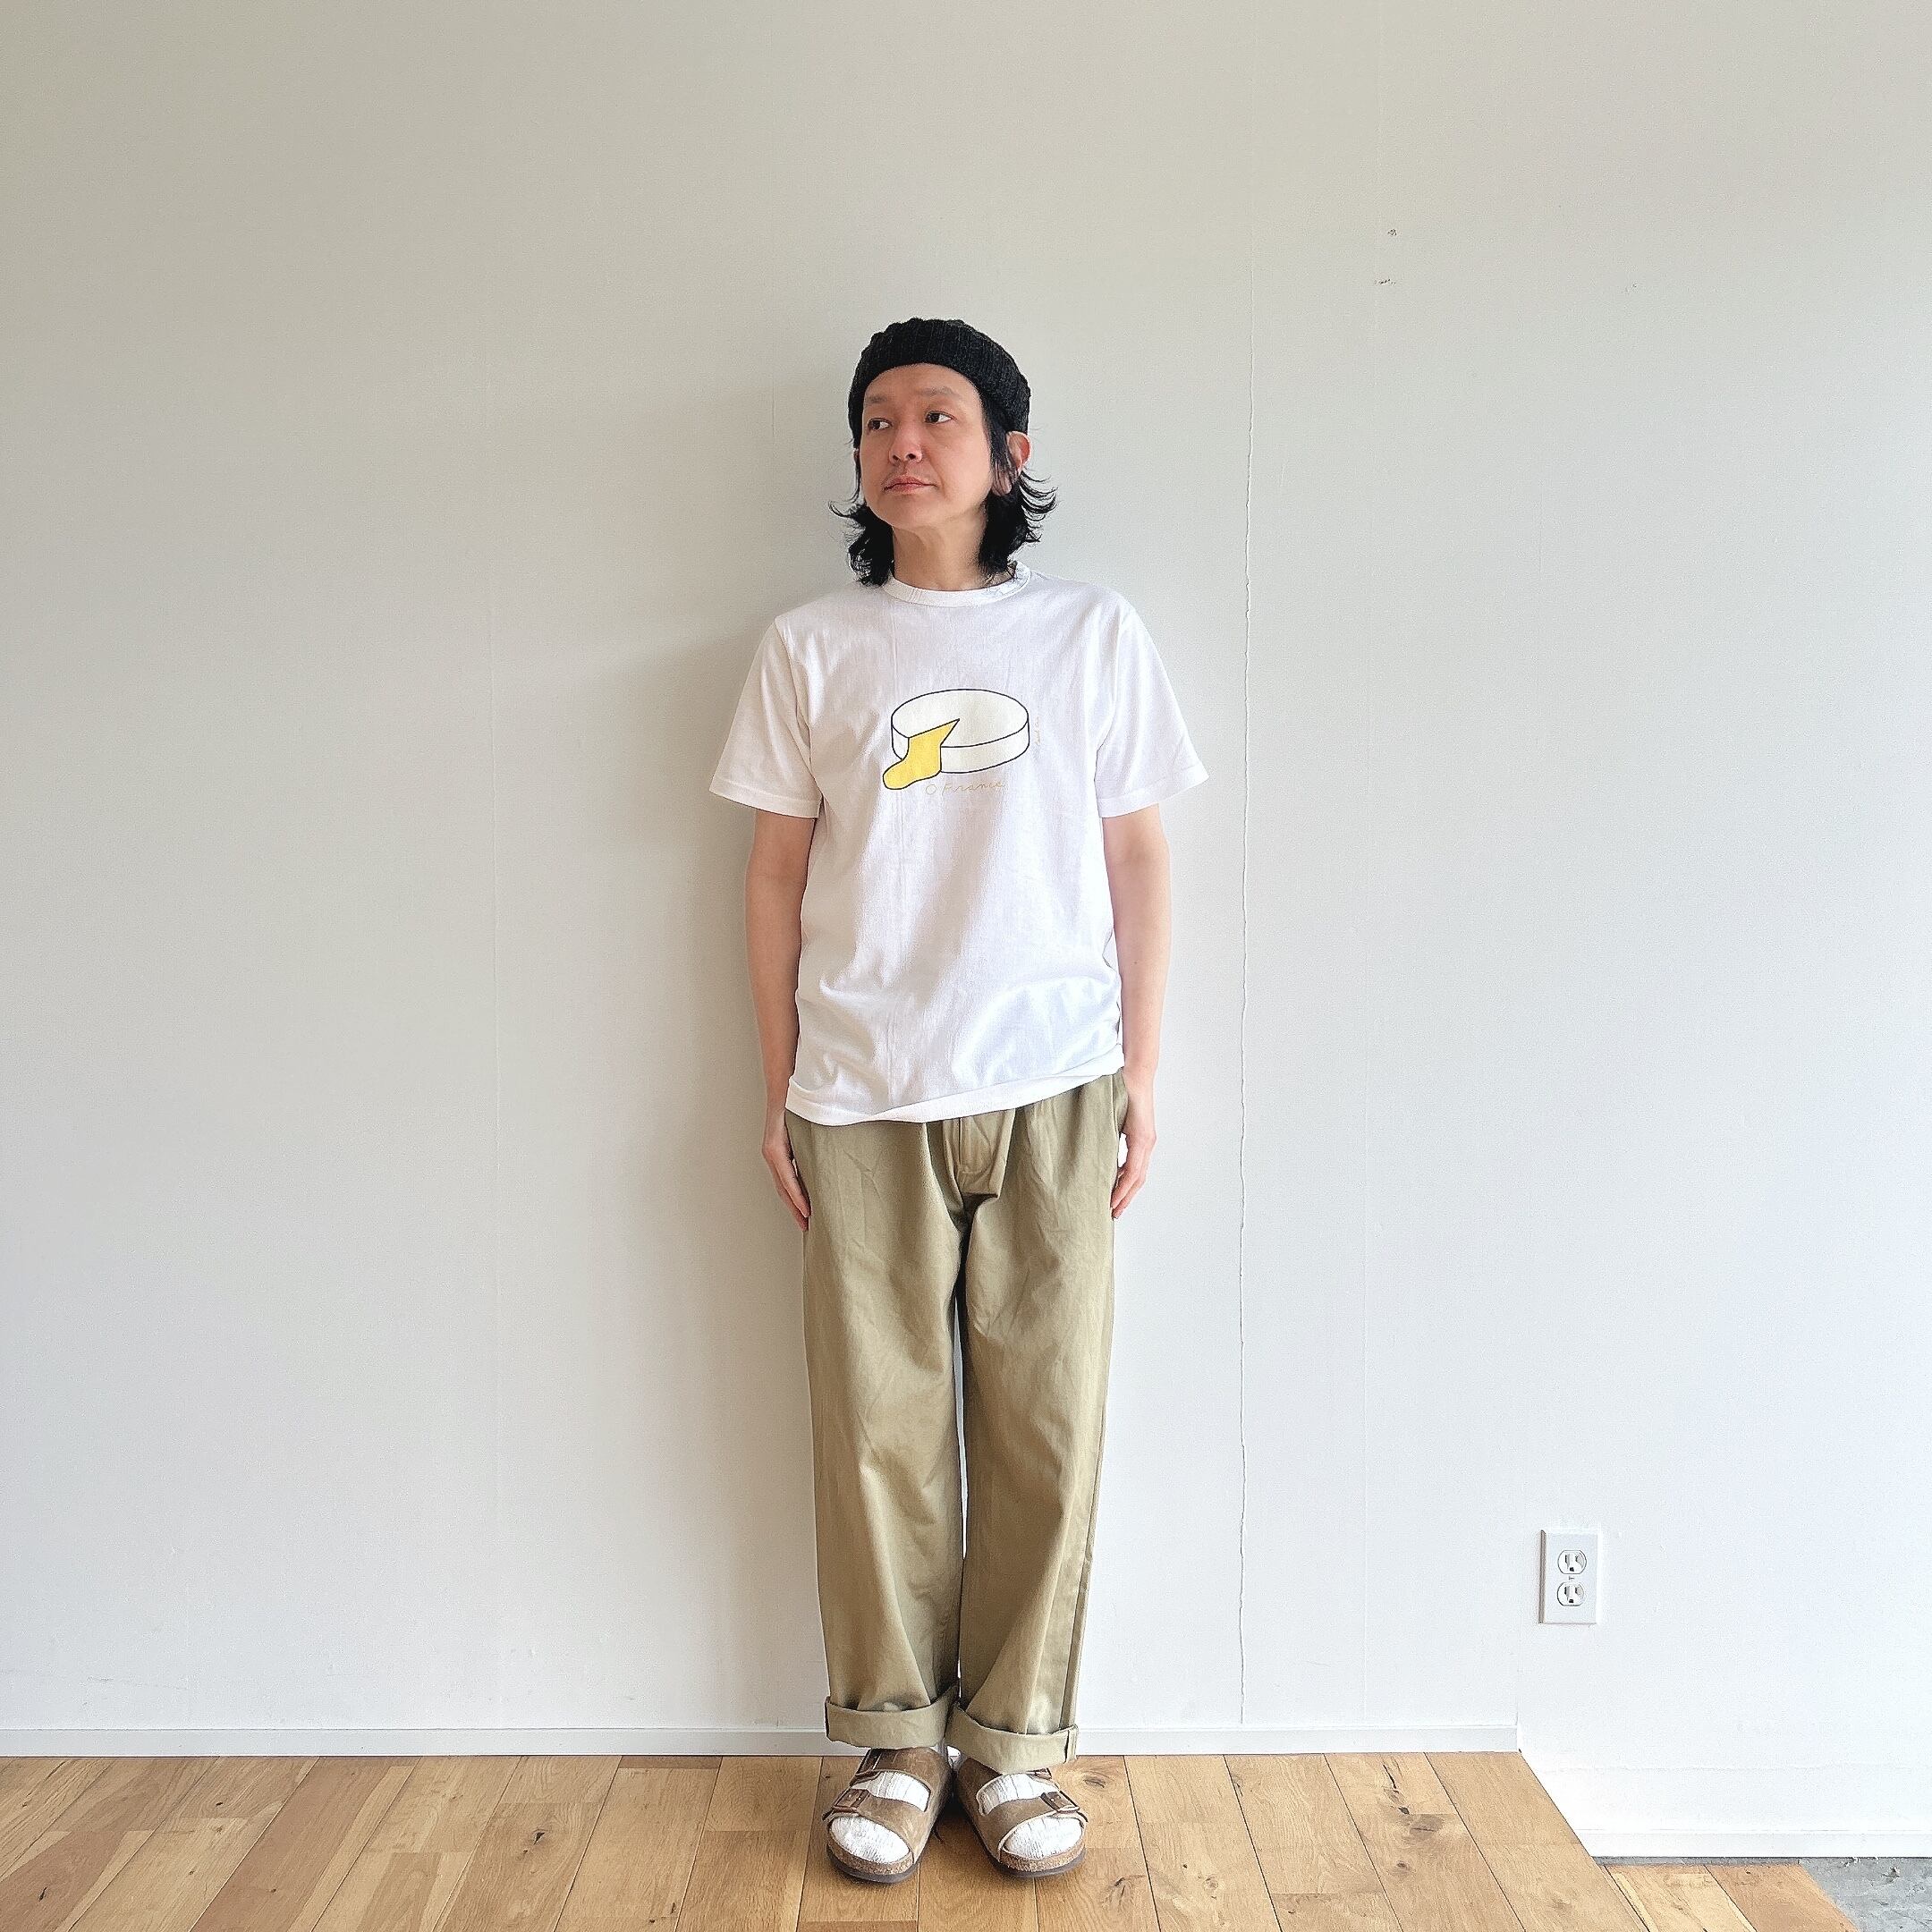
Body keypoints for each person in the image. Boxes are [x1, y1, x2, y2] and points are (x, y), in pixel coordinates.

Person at [708, 317, 1208, 1884]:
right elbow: (773, 874)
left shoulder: (1090, 635)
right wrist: (777, 1085)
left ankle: (1014, 1748)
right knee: (879, 1430)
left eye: (935, 415)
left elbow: (1139, 856)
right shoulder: (812, 648)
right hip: (862, 1090)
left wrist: (1143, 1070)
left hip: (1056, 1077)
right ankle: (896, 1741)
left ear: (1010, 452)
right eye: (875, 421)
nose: (901, 443)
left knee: (1046, 1421)